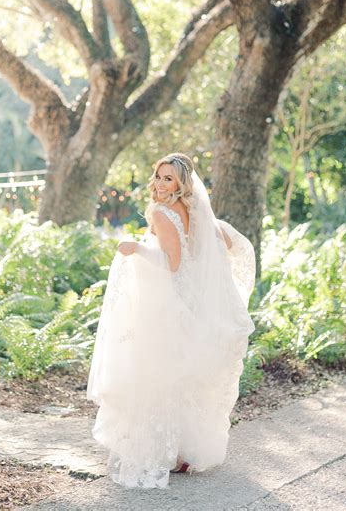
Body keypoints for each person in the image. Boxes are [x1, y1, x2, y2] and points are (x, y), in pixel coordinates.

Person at [87, 152, 256, 489]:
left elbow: (173, 263)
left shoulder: (162, 213)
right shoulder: (196, 211)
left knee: (160, 375)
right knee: (183, 376)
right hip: (193, 302)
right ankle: (184, 452)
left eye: (169, 179)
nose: (162, 184)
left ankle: (168, 452)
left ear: (182, 182)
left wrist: (135, 247)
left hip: (169, 303)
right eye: (160, 177)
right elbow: (222, 244)